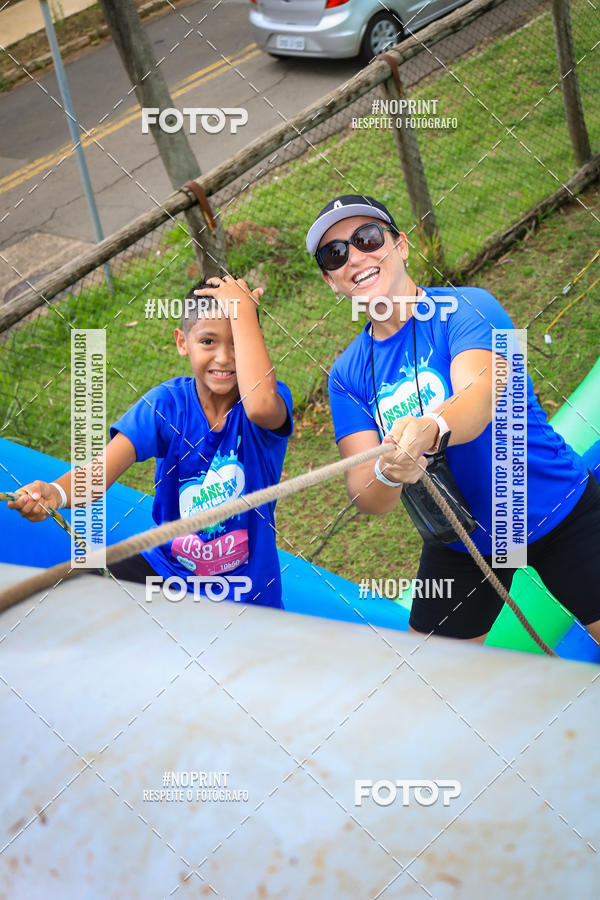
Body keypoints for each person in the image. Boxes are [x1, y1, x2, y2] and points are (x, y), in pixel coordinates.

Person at [306, 194, 600, 642]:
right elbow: (368, 497)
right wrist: (389, 472)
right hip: (464, 542)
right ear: (331, 281)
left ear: (401, 245)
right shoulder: (346, 375)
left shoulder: (469, 307)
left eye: (367, 238)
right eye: (335, 254)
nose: (355, 257)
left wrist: (430, 429)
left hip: (555, 507)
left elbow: (477, 400)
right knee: (433, 677)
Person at [9, 276, 293, 609]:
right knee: (80, 589)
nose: (223, 357)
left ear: (254, 345)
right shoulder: (166, 405)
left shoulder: (267, 403)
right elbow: (98, 472)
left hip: (247, 595)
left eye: (236, 343)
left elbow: (261, 404)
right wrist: (54, 492)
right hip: (168, 575)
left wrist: (243, 311)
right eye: (208, 341)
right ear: (182, 342)